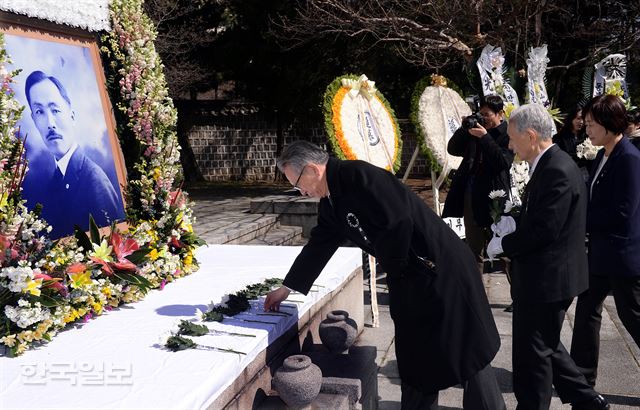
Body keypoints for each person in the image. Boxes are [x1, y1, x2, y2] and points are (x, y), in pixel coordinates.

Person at [265, 141, 505, 409]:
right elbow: (320, 244)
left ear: (311, 169)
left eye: (298, 184)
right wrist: (287, 287)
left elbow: (399, 221)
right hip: (409, 278)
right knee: (417, 361)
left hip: (440, 270)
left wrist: (394, 268)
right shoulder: (331, 201)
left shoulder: (359, 176)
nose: (302, 192)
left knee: (467, 353)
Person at [487, 104, 609, 410]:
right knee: (547, 344)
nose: (510, 145)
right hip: (548, 274)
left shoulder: (556, 168)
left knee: (533, 354)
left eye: (513, 139)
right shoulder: (549, 163)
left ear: (530, 136)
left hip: (549, 278)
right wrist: (514, 222)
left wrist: (505, 243)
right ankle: (587, 399)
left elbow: (545, 230)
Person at [570, 95, 640, 387]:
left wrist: (582, 222)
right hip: (600, 252)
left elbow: (624, 211)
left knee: (632, 315)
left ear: (610, 124)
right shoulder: (602, 153)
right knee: (586, 310)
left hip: (622, 253)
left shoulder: (629, 157)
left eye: (591, 124)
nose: (587, 130)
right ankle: (582, 378)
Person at [24, 70, 124, 238]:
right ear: (33, 119)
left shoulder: (94, 180)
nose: (50, 124)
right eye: (40, 112)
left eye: (55, 110)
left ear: (72, 115)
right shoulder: (54, 181)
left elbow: (115, 245)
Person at [442, 94, 513, 274]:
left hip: (495, 197)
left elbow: (502, 162)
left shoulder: (508, 134)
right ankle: (477, 298)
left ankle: (518, 298)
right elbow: (453, 149)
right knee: (474, 250)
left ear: (500, 114)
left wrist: (485, 137)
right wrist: (464, 127)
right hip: (472, 194)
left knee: (504, 249)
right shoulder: (475, 131)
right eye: (481, 114)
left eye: (487, 114)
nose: (484, 118)